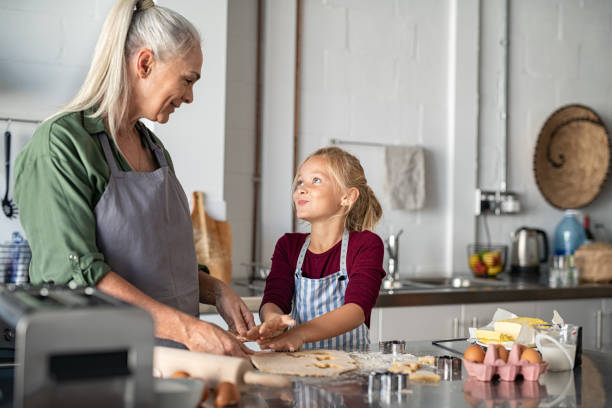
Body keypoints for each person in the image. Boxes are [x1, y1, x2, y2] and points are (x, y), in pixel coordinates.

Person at [14, 0, 254, 357]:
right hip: (97, 365)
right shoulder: (62, 144)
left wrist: (217, 290)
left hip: (169, 365)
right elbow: (73, 275)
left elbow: (158, 264)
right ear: (144, 63)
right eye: (187, 80)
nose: (190, 97)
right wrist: (187, 328)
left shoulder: (154, 148)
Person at [248, 146, 385, 351]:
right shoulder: (288, 246)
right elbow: (274, 299)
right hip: (299, 364)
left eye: (316, 180)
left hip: (352, 368)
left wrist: (299, 334)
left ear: (347, 197)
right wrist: (274, 320)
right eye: (300, 182)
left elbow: (356, 310)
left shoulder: (366, 245)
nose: (301, 189)